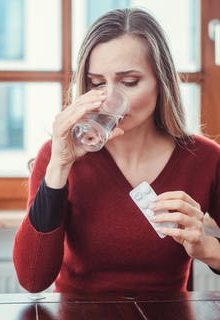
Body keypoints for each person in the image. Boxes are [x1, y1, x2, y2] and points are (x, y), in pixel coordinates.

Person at [13, 7, 220, 294]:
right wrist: (59, 167)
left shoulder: (205, 158)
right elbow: (32, 279)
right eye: (97, 83)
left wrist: (208, 248)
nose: (110, 100)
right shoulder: (58, 155)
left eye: (129, 82)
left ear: (162, 82)